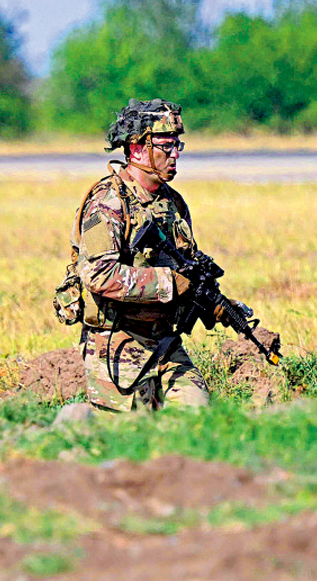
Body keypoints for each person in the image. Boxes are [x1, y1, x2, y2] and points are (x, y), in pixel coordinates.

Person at [72, 98, 211, 412]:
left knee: (197, 418)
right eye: (165, 145)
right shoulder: (108, 201)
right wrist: (170, 283)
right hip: (118, 344)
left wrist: (210, 303)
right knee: (127, 442)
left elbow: (187, 267)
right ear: (136, 148)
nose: (174, 154)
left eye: (178, 145)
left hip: (164, 342)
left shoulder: (173, 203)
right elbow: (98, 275)